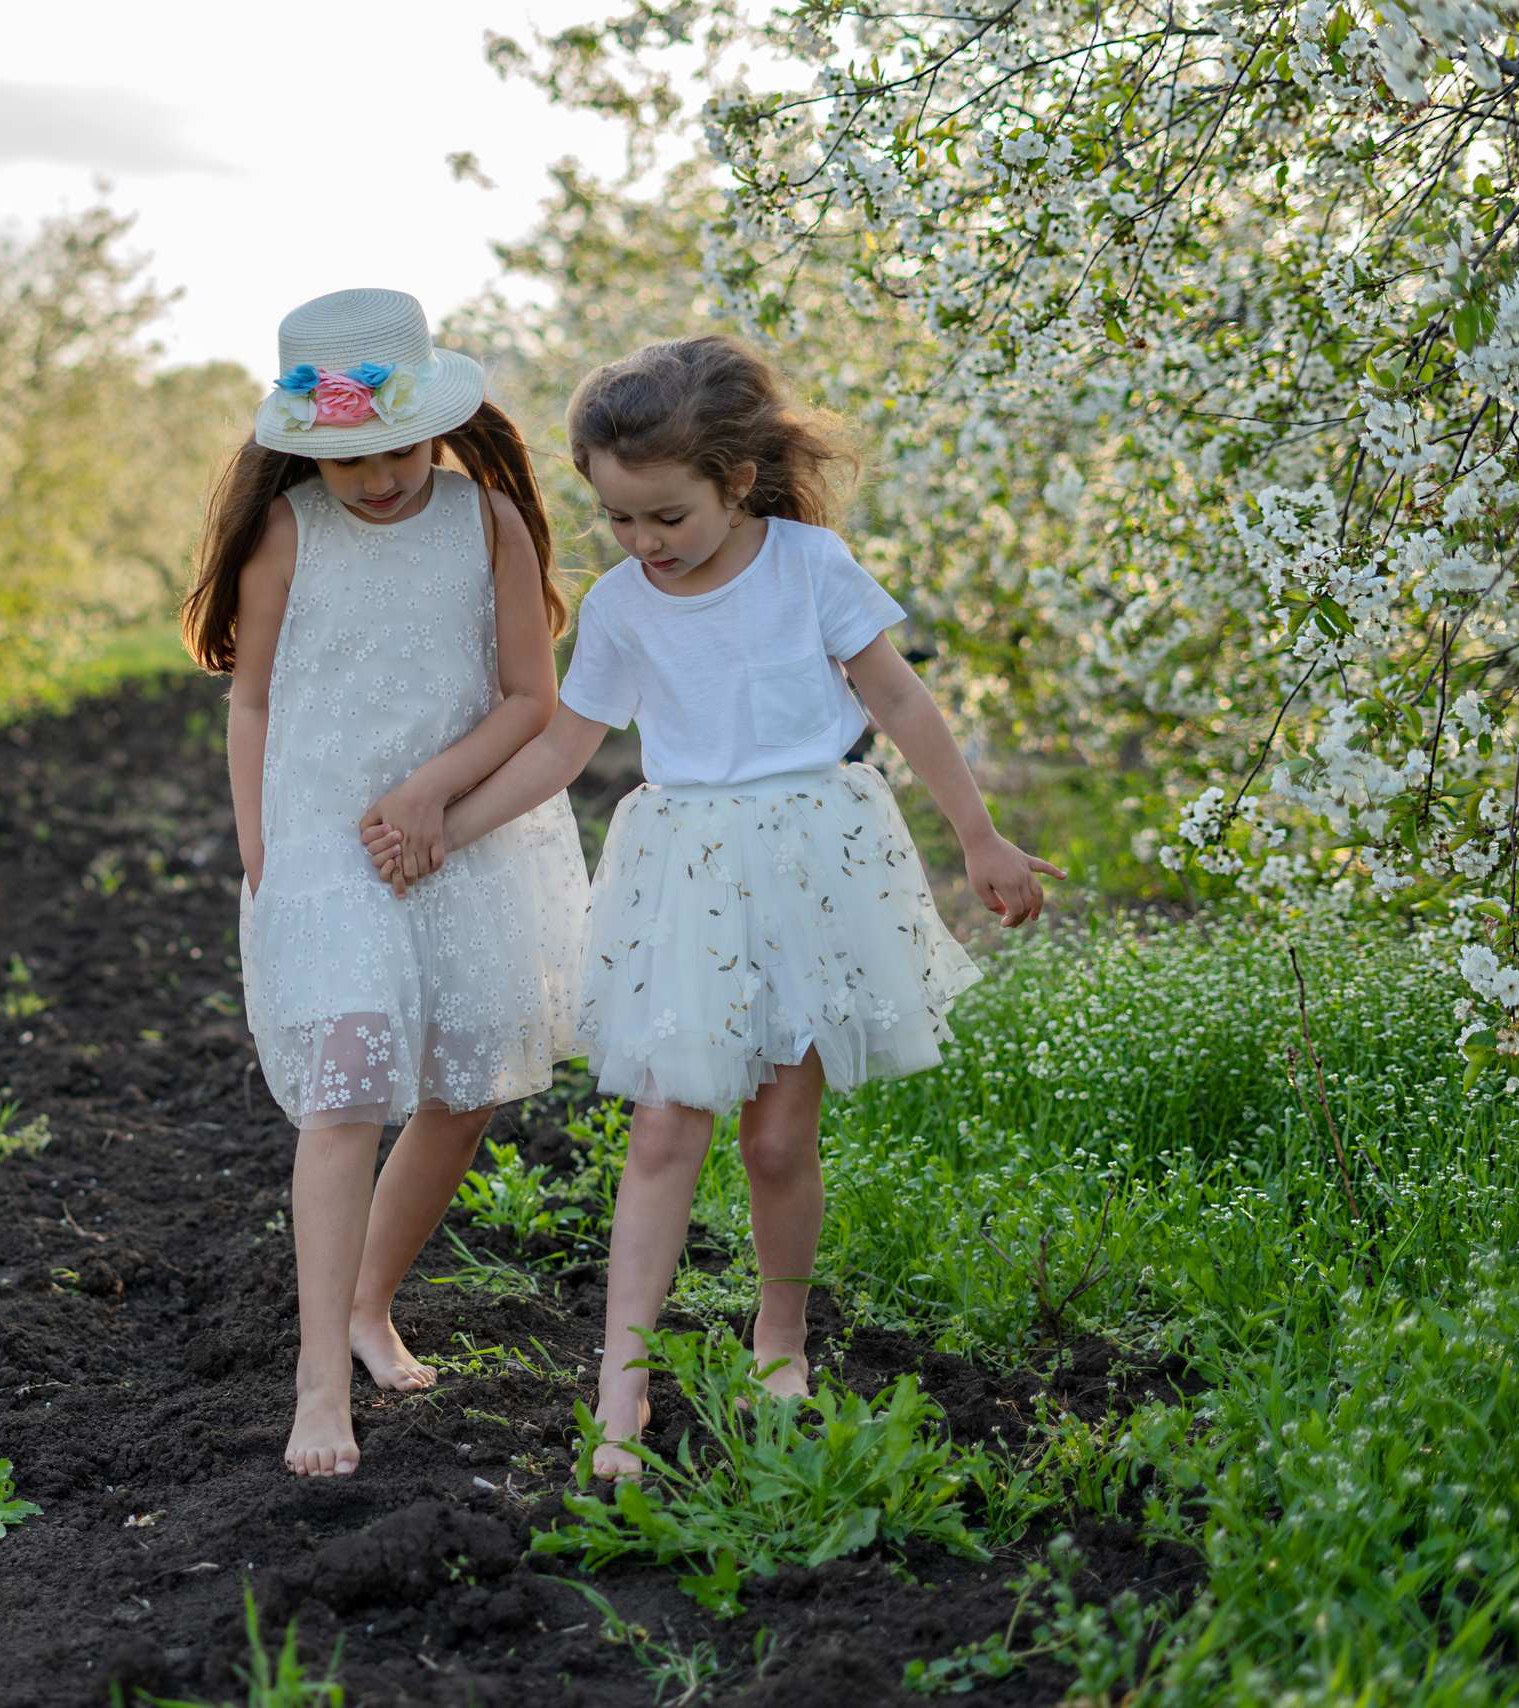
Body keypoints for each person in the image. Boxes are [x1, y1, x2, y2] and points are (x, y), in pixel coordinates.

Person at [363, 335, 1061, 1479]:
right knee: (664, 1129)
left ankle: (778, 1342)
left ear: (735, 482)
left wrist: (977, 834)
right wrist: (451, 823)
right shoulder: (624, 604)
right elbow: (565, 746)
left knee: (780, 1138)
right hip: (686, 869)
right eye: (620, 522)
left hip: (814, 862)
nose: (643, 544)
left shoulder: (808, 565)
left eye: (666, 519)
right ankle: (618, 1395)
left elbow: (898, 697)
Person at [181, 288, 589, 1477]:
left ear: (437, 429)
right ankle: (319, 1386)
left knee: (460, 1091)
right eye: (347, 458)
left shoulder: (490, 520)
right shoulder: (289, 530)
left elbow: (530, 698)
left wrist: (432, 800)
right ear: (307, 446)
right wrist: (262, 848)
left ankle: (370, 1304)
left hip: (460, 832)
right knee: (347, 1082)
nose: (377, 480)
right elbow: (251, 696)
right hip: (322, 842)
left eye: (397, 450)